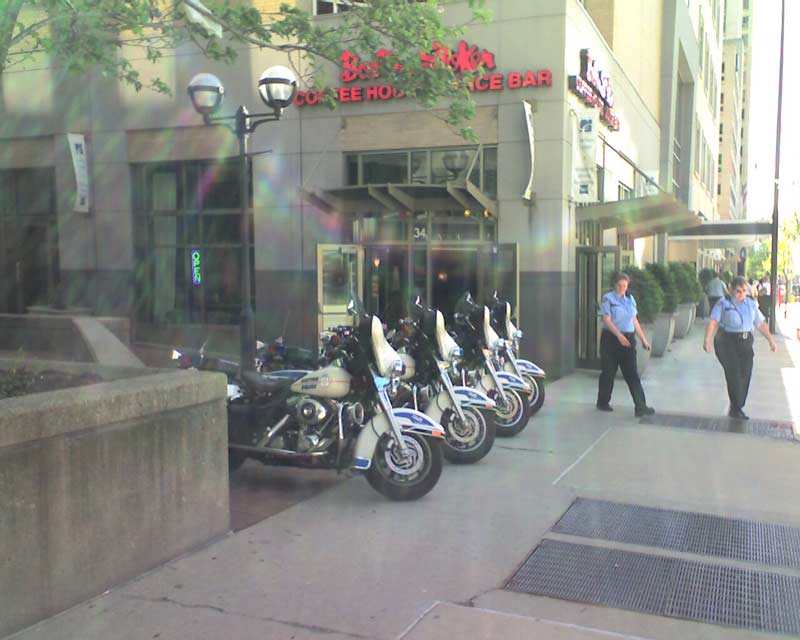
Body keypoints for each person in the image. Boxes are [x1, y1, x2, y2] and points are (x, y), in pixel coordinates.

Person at [703, 276, 778, 420]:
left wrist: (771, 340)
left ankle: (737, 404)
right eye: (738, 291)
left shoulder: (750, 304)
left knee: (745, 374)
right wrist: (707, 339)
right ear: (731, 290)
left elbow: (760, 323)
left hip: (745, 342)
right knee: (734, 374)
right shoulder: (723, 303)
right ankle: (736, 408)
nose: (741, 294)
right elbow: (713, 322)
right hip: (727, 342)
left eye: (744, 291)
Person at [596, 271, 655, 417]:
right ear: (615, 285)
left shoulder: (630, 299)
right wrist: (618, 335)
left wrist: (643, 339)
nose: (622, 288)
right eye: (620, 285)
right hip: (611, 339)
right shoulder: (608, 299)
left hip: (628, 339)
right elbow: (606, 320)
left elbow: (634, 320)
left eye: (625, 285)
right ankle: (603, 402)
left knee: (632, 374)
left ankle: (640, 407)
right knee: (608, 373)